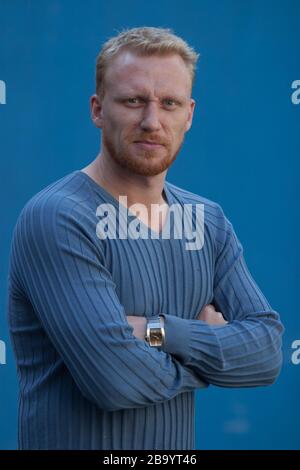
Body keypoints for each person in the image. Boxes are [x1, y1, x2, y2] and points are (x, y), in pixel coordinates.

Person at [8, 26, 284, 450]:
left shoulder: (206, 220)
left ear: (188, 115)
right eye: (133, 100)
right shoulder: (58, 217)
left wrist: (158, 331)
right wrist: (209, 354)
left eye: (169, 103)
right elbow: (114, 380)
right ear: (98, 110)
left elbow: (266, 353)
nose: (152, 121)